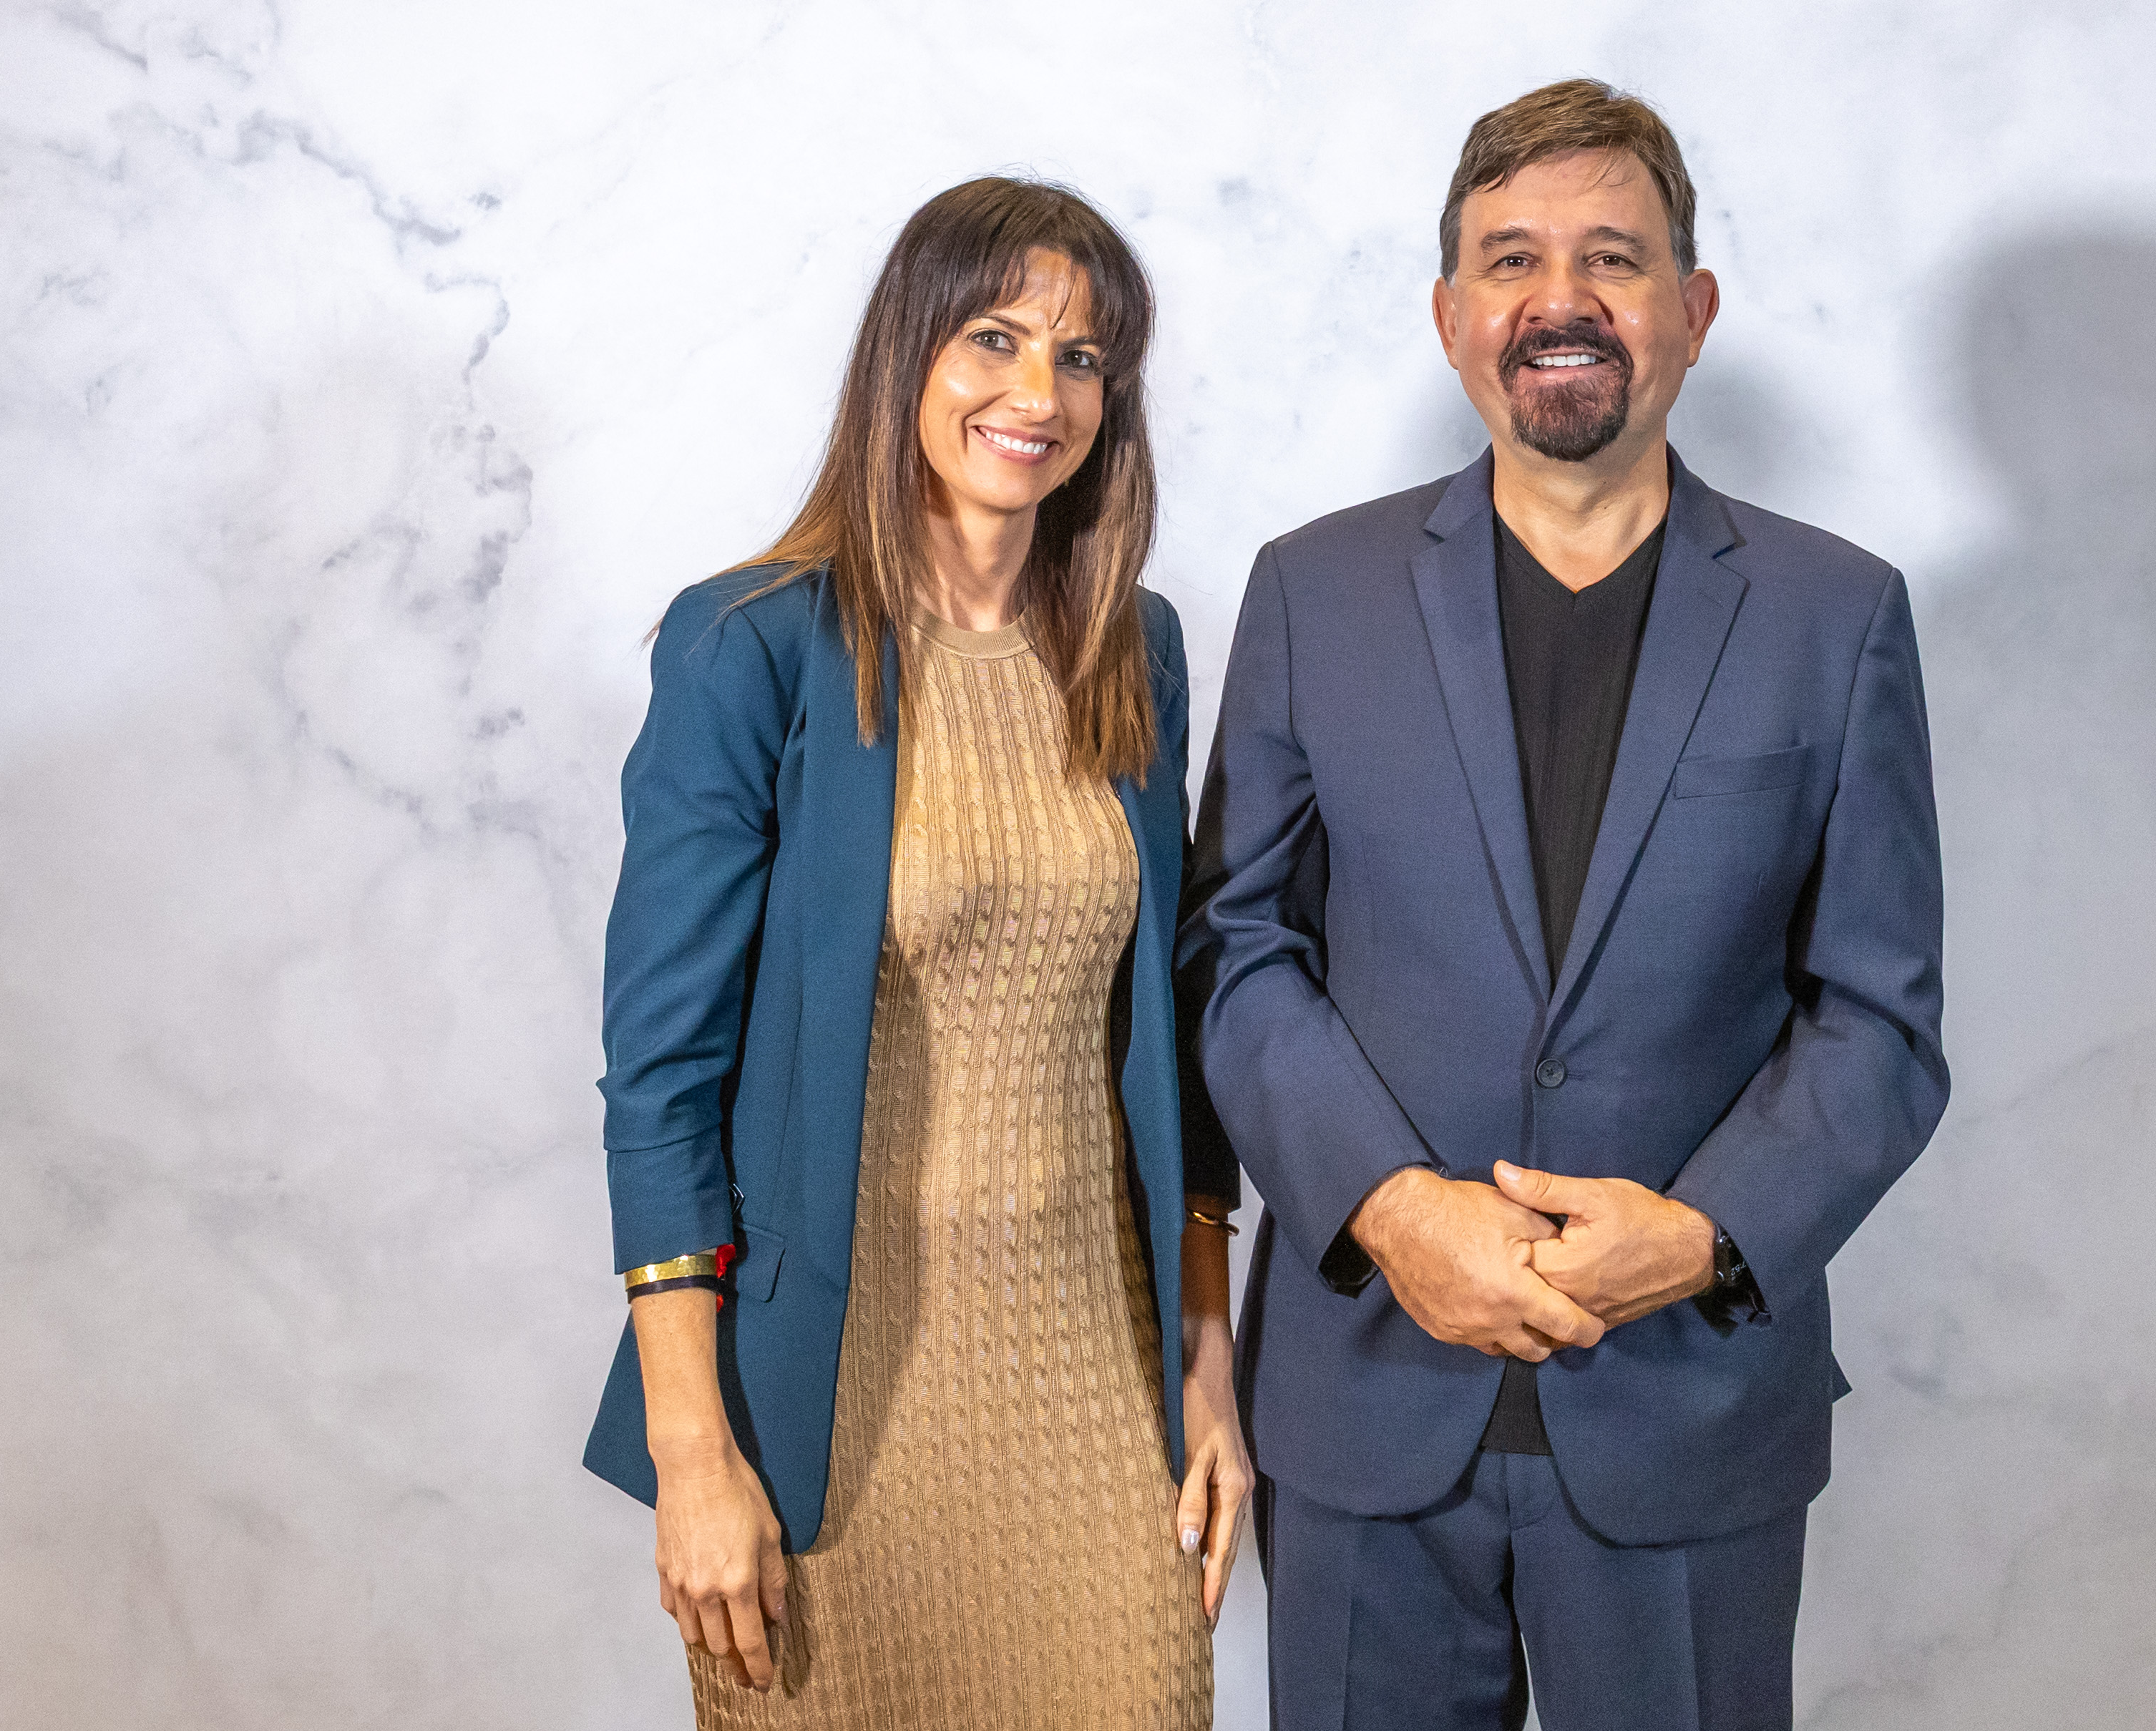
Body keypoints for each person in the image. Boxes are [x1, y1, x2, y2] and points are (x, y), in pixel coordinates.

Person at [1181, 81, 1948, 1729]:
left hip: (1690, 1415)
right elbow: (1238, 949)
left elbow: (1881, 1021)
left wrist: (1705, 1235)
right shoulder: (1313, 592)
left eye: (1614, 256)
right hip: (1366, 1403)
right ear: (1452, 315)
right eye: (1512, 258)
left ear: (1694, 307)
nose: (1562, 298)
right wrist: (1393, 1208)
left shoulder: (1837, 615)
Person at [583, 176, 1250, 1730]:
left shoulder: (1133, 646)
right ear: (908, 353)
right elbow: (660, 1080)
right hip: (824, 1421)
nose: (1039, 394)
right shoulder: (750, 645)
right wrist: (693, 1455)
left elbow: (1178, 1041)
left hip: (1102, 1399)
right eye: (994, 338)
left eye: (1082, 358)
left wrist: (1208, 1368)